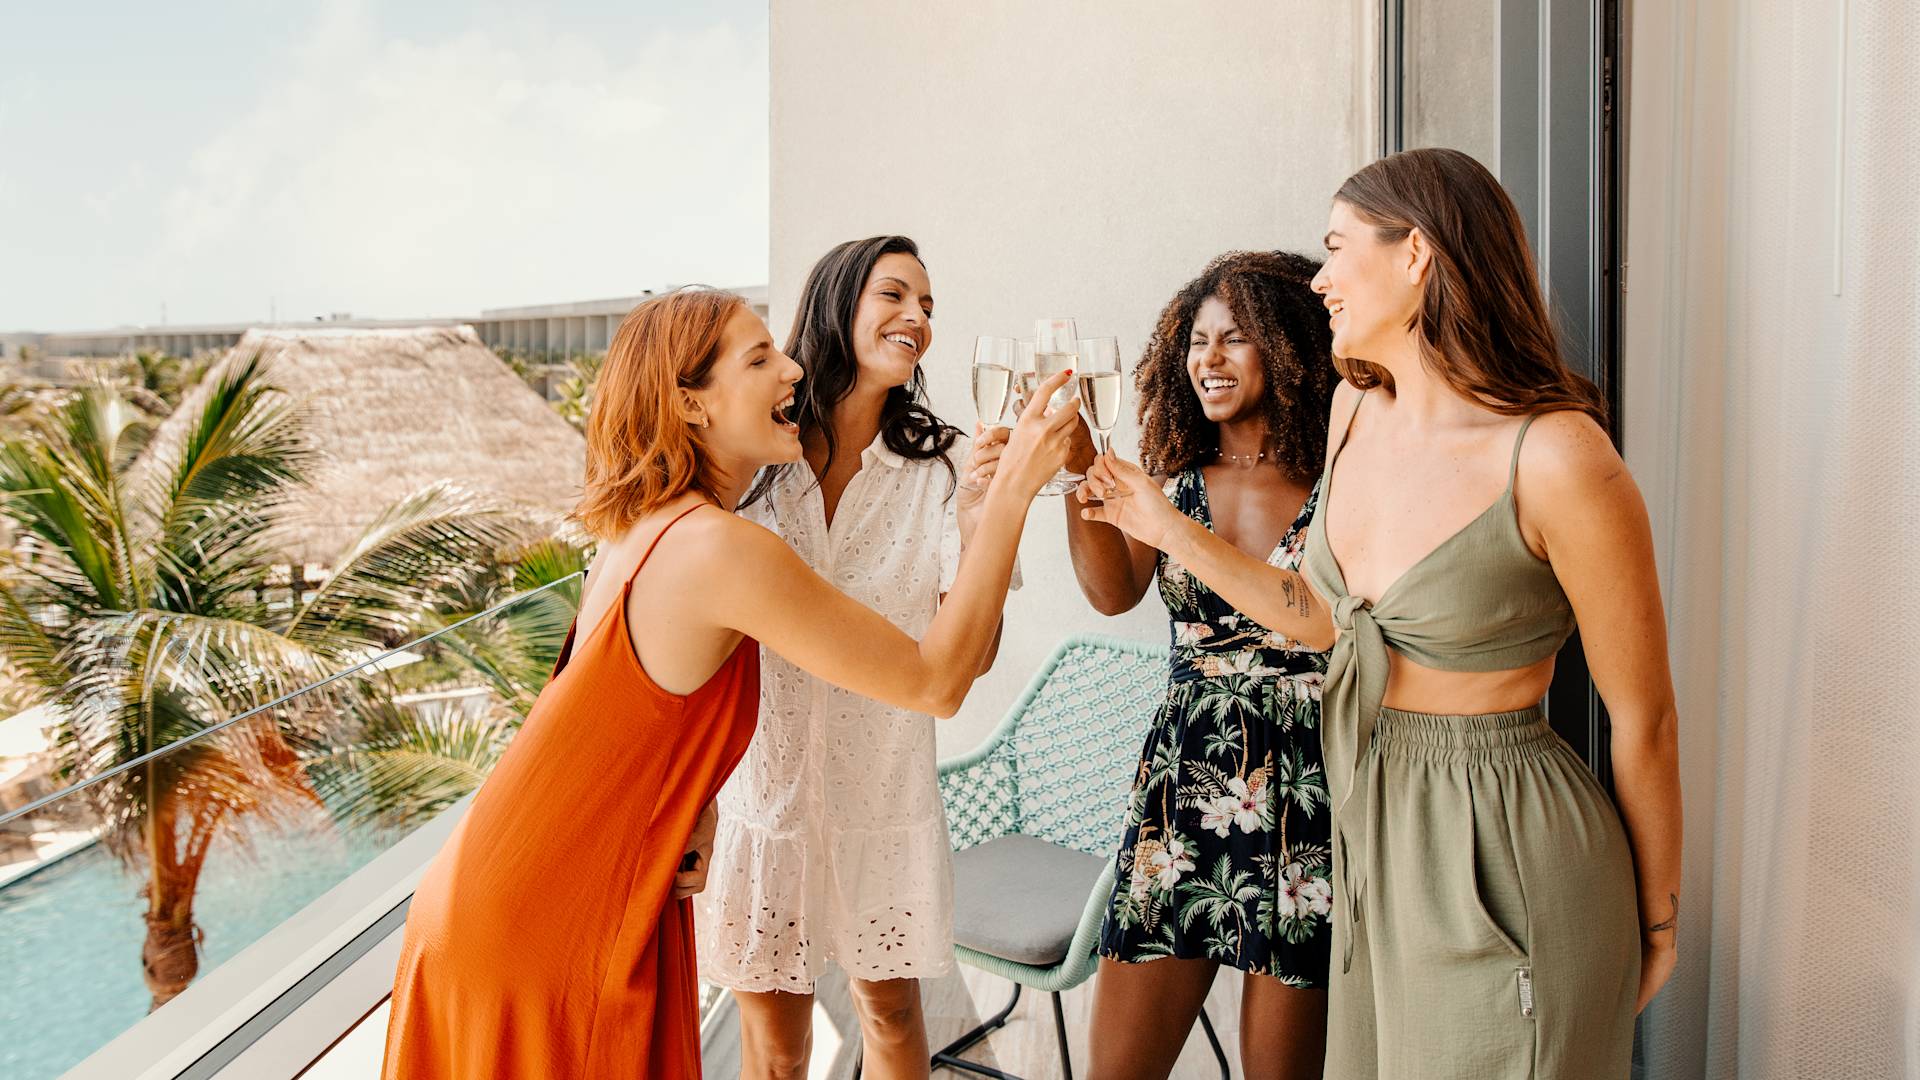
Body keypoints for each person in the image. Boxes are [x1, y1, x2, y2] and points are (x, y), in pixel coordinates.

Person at [1084, 147, 1682, 1079]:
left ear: (1417, 256)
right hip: (1366, 819)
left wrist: (1659, 918)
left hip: (1501, 830)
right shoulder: (1353, 413)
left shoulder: (1562, 458)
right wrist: (1152, 519)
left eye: (1335, 246)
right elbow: (1318, 615)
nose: (1318, 277)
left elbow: (1643, 719)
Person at [381, 287, 1079, 1079]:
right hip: (554, 916)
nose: (792, 369)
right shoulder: (722, 548)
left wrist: (694, 798)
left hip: (513, 884)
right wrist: (1014, 493)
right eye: (759, 359)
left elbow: (610, 715)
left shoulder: (640, 526)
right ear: (690, 404)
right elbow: (937, 681)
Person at [699, 236, 1018, 1079]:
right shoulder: (753, 456)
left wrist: (986, 524)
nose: (917, 316)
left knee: (893, 1018)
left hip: (884, 791)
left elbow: (969, 660)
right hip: (763, 798)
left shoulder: (948, 466)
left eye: (928, 307)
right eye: (895, 294)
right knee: (775, 1052)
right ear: (837, 302)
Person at [1061, 251, 1340, 1079]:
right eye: (1196, 341)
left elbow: (1324, 622)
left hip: (1306, 790)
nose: (1208, 359)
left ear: (1289, 348)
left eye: (1236, 339)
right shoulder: (1175, 483)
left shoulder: (1340, 481)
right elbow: (1112, 592)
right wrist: (1080, 468)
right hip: (1186, 786)